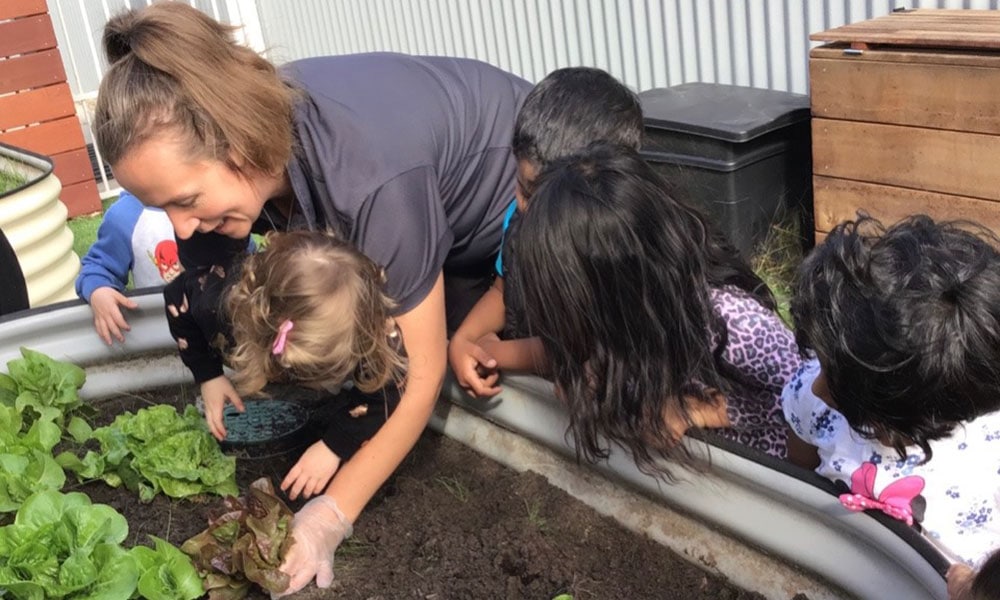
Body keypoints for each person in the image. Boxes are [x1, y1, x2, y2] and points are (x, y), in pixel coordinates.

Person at [93, 2, 530, 594]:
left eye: (186, 201)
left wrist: (330, 515)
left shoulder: (369, 179)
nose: (182, 227)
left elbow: (420, 375)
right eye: (162, 208)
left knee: (418, 350)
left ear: (237, 147)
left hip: (520, 206)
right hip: (425, 216)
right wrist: (209, 374)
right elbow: (196, 286)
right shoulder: (239, 158)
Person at [508, 144, 801, 477]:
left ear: (614, 285)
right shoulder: (626, 325)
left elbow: (818, 402)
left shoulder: (734, 323)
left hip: (773, 480)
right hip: (698, 478)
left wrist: (704, 410)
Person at [782, 215, 1000, 567]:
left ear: (908, 412)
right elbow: (798, 482)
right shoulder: (813, 399)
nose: (817, 387)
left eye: (836, 381)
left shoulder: (991, 442)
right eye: (824, 365)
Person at [449, 66, 644, 397]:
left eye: (535, 196)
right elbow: (501, 291)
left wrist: (493, 353)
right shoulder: (518, 218)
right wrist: (465, 339)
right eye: (522, 187)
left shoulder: (609, 247)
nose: (522, 206)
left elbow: (576, 348)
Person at [220, 230, 407, 501]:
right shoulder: (247, 304)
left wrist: (334, 447)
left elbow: (385, 396)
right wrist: (208, 376)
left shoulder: (380, 340)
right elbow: (182, 301)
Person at [75, 190, 182, 345]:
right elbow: (99, 268)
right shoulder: (126, 215)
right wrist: (98, 291)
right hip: (163, 333)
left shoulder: (217, 193)